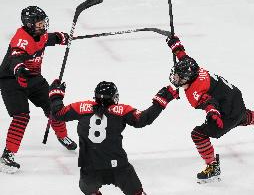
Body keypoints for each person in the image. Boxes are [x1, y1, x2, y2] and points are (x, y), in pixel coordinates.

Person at [166, 36, 254, 184]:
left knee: (198, 134)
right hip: (234, 100)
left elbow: (209, 101)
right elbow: (184, 57)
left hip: (225, 111)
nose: (176, 80)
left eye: (179, 78)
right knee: (242, 116)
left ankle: (212, 166)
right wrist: (176, 46)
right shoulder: (193, 66)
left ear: (188, 78)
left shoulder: (196, 89)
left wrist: (213, 113)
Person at [48, 80, 178, 195]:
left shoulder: (81, 107)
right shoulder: (122, 110)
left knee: (89, 189)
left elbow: (58, 114)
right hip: (119, 167)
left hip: (90, 169)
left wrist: (56, 95)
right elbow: (143, 120)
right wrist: (161, 101)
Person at [0, 6, 77, 174]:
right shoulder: (21, 39)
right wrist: (19, 69)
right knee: (21, 117)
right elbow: (15, 56)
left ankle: (62, 135)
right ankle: (7, 156)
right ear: (29, 24)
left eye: (43, 22)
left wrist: (60, 37)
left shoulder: (38, 34)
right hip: (12, 81)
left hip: (34, 78)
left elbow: (46, 39)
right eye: (40, 23)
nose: (43, 25)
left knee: (54, 109)